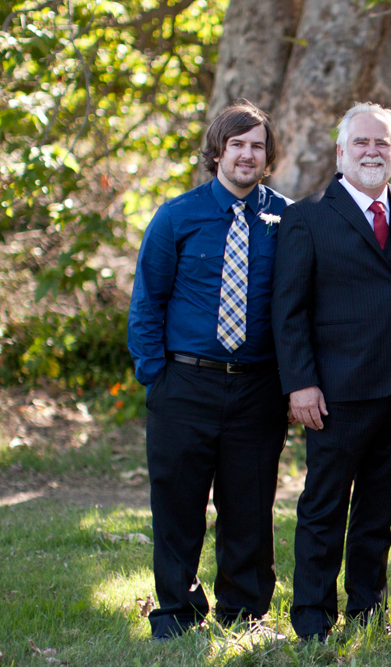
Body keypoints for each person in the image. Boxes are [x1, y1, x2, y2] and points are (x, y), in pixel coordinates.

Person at [269, 102, 391, 642]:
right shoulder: (308, 215)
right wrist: (299, 382)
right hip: (334, 393)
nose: (372, 151)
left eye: (383, 144)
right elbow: (287, 308)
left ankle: (369, 612)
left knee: (377, 515)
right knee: (323, 509)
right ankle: (313, 621)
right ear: (341, 152)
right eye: (361, 143)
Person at [127, 101, 291, 639]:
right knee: (177, 502)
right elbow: (148, 300)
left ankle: (244, 611)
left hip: (258, 386)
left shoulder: (287, 220)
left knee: (248, 503)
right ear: (218, 151)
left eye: (257, 146)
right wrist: (156, 374)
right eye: (237, 144)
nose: (247, 154)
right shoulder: (177, 215)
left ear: (268, 157)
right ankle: (176, 609)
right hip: (185, 382)